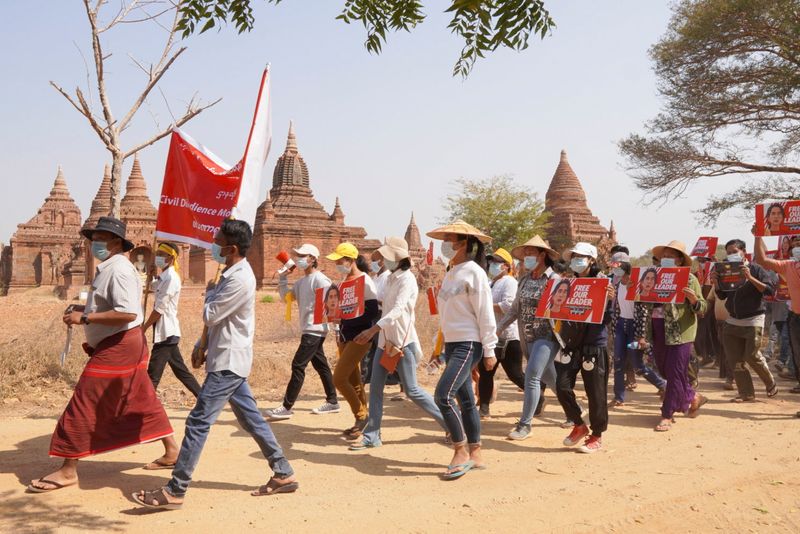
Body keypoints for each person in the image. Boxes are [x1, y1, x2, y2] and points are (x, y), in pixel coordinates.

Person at [133, 219, 297, 509]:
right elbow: (216, 321)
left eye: (218, 242)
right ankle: (283, 472)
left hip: (228, 361)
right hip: (225, 356)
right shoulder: (231, 274)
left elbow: (211, 314)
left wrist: (209, 292)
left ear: (231, 249)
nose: (214, 247)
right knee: (251, 419)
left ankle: (175, 489)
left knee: (197, 422)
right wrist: (201, 343)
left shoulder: (239, 279)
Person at [28, 217, 175, 493]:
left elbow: (128, 313)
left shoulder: (118, 270)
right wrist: (84, 311)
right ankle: (172, 450)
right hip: (121, 342)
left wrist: (85, 318)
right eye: (93, 237)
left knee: (85, 399)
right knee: (139, 396)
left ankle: (68, 469)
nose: (95, 243)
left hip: (119, 344)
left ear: (117, 242)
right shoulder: (108, 268)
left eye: (101, 238)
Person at [348, 237, 447, 450]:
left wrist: (373, 329)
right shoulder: (392, 278)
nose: (383, 260)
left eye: (386, 257)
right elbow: (381, 301)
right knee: (375, 388)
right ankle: (372, 435)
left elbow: (399, 309)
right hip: (386, 342)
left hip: (403, 343)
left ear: (397, 258)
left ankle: (451, 425)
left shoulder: (407, 280)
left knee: (412, 390)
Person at [426, 220, 498, 478]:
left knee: (443, 396)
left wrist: (489, 349)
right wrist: (439, 347)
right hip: (453, 342)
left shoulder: (474, 272)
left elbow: (485, 312)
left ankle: (460, 450)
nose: (446, 243)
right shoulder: (450, 272)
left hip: (469, 343)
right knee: (466, 400)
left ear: (464, 243)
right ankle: (476, 451)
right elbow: (446, 315)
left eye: (450, 239)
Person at [265, 244, 340, 421]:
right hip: (308, 328)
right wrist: (283, 279)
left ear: (313, 259)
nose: (299, 258)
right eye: (297, 255)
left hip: (314, 329)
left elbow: (332, 306)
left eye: (302, 255)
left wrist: (336, 329)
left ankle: (286, 406)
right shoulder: (300, 282)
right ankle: (333, 401)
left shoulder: (321, 280)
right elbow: (287, 298)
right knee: (321, 366)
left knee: (298, 365)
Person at [498, 235, 561, 441]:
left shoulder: (554, 280)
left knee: (532, 376)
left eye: (530, 253)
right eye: (525, 254)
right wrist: (498, 328)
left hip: (547, 336)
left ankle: (525, 425)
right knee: (550, 378)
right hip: (527, 336)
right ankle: (574, 409)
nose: (526, 257)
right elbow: (515, 309)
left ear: (542, 255)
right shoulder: (523, 280)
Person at [555, 242, 615, 454]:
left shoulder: (603, 284)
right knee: (561, 385)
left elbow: (607, 317)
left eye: (581, 257)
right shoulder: (567, 284)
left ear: (591, 260)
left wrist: (609, 300)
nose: (576, 261)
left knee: (595, 391)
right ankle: (579, 424)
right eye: (573, 257)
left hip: (594, 344)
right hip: (570, 343)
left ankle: (596, 435)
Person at [646, 240, 708, 432]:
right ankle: (692, 396)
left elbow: (703, 308)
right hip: (658, 328)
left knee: (674, 372)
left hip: (681, 331)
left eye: (671, 256)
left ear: (680, 260)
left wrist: (694, 300)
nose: (666, 259)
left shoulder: (690, 280)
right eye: (664, 256)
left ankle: (667, 414)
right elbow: (645, 302)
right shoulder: (652, 277)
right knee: (665, 370)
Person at [711, 239, 778, 402]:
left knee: (751, 355)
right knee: (735, 360)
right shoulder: (726, 270)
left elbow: (769, 290)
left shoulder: (755, 269)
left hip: (753, 319)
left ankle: (771, 384)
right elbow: (722, 295)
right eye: (728, 253)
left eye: (734, 252)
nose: (731, 255)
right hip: (733, 319)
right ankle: (746, 393)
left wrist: (749, 277)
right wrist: (716, 283)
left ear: (743, 251)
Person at [327, 243, 380, 440]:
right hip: (344, 335)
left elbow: (373, 311)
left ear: (350, 261)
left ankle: (362, 415)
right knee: (353, 380)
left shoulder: (365, 281)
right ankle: (361, 422)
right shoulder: (343, 282)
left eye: (340, 261)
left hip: (360, 336)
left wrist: (352, 321)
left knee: (338, 378)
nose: (338, 265)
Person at [607, 252, 666, 407]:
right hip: (621, 327)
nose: (615, 271)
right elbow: (617, 309)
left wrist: (641, 335)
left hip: (634, 329)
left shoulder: (637, 286)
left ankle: (663, 385)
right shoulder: (618, 286)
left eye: (618, 268)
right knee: (618, 362)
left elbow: (643, 312)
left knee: (637, 365)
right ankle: (618, 397)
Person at [143, 243, 201, 399]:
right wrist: (152, 275)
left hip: (166, 333)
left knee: (152, 376)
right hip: (166, 333)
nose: (158, 257)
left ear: (170, 257)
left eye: (161, 254)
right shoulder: (164, 277)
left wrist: (145, 327)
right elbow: (151, 287)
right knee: (181, 372)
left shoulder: (172, 278)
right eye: (157, 253)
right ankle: (204, 399)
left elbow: (160, 308)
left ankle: (143, 408)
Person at [754, 230, 800, 415]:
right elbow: (762, 260)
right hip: (796, 318)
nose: (797, 248)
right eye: (796, 245)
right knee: (798, 360)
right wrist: (758, 236)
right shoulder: (788, 265)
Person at [477, 248, 525, 418]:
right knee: (486, 372)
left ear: (505, 266)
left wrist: (485, 305)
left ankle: (537, 395)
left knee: (515, 374)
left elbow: (508, 307)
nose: (492, 265)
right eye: (491, 262)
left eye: (496, 263)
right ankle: (484, 408)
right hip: (492, 335)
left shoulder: (509, 282)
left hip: (508, 337)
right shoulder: (492, 283)